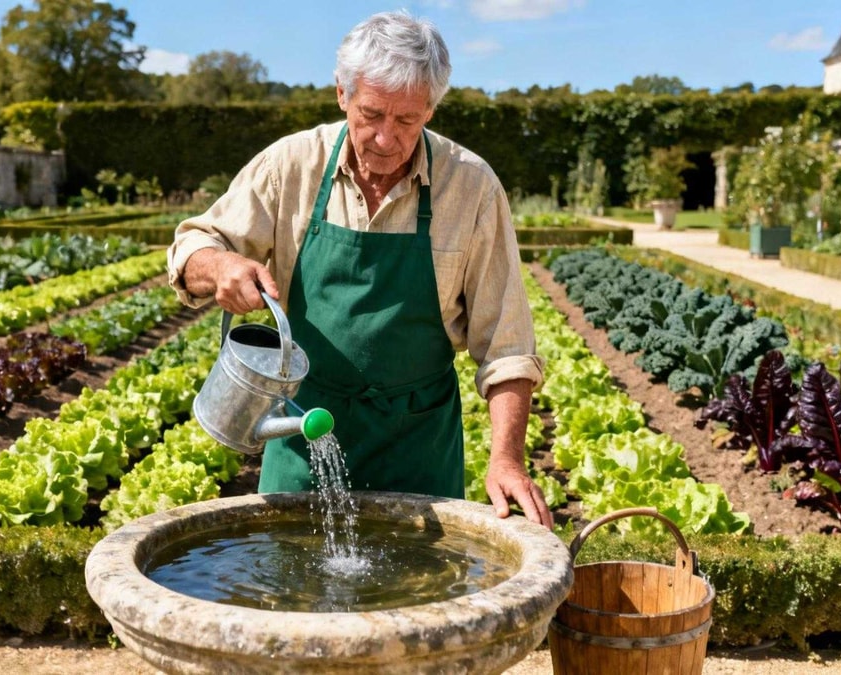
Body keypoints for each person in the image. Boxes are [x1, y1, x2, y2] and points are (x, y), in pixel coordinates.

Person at [167, 11, 552, 528]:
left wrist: (506, 458)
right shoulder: (291, 166)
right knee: (293, 592)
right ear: (342, 94)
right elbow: (192, 246)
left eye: (408, 120)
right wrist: (221, 266)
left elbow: (507, 347)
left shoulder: (471, 188)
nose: (387, 138)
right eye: (371, 114)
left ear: (432, 110)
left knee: (423, 601)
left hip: (418, 447)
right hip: (304, 433)